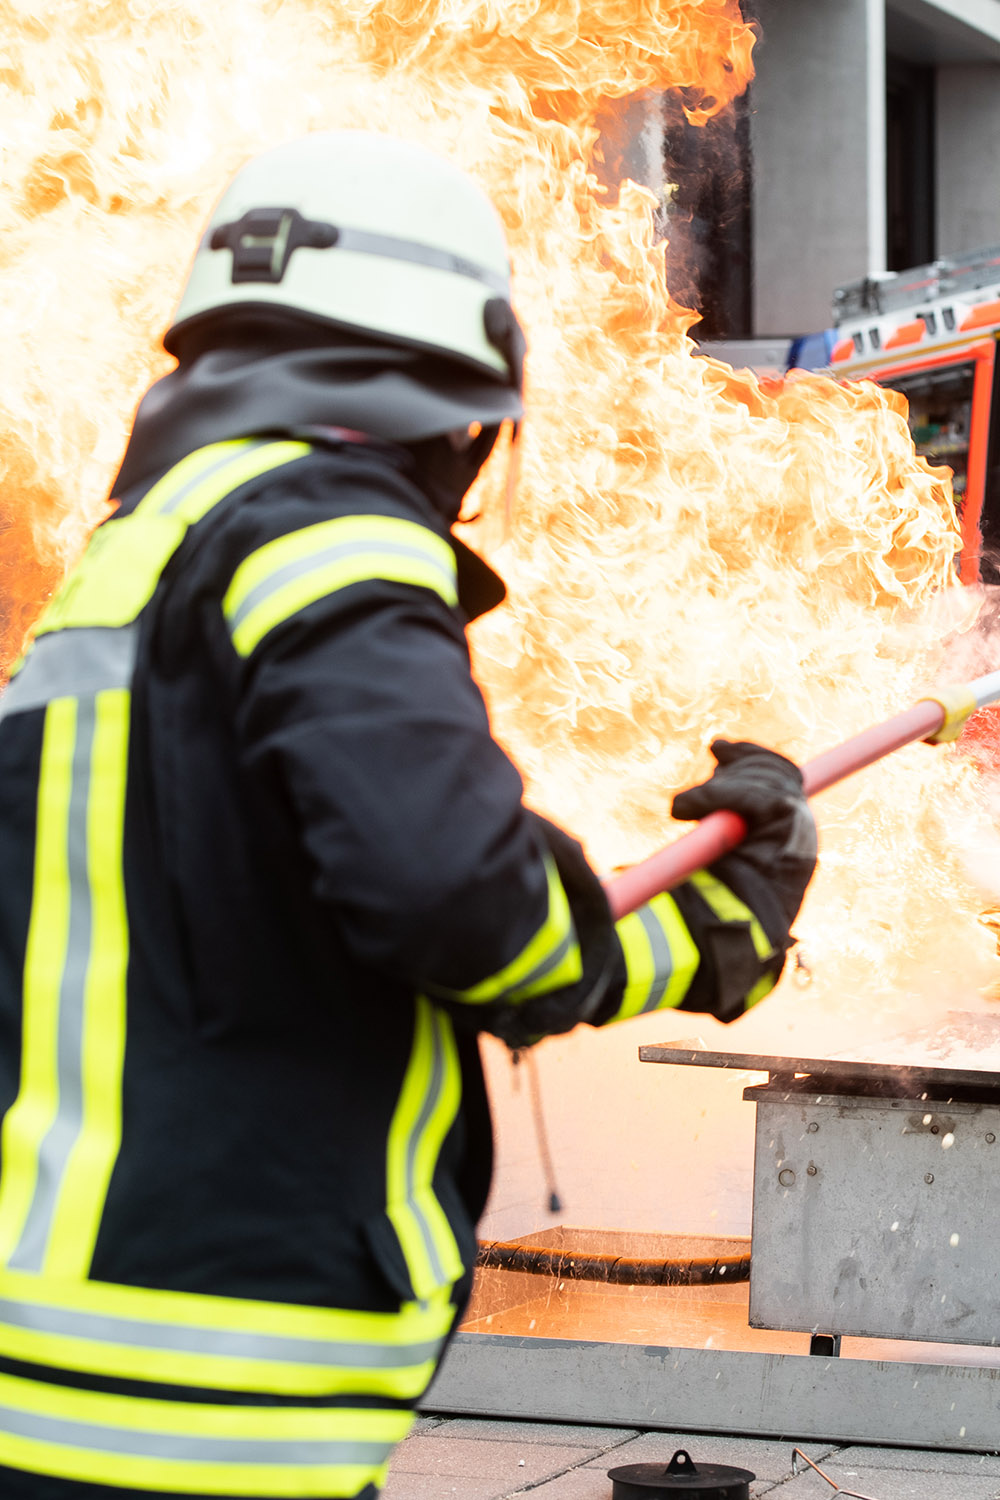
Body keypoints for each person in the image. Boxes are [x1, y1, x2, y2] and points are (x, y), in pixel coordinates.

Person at [0, 132, 816, 1500]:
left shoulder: (130, 566)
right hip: (211, 1373)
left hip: (52, 1338)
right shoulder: (328, 531)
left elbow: (268, 914)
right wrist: (719, 932)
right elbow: (458, 903)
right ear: (449, 399)